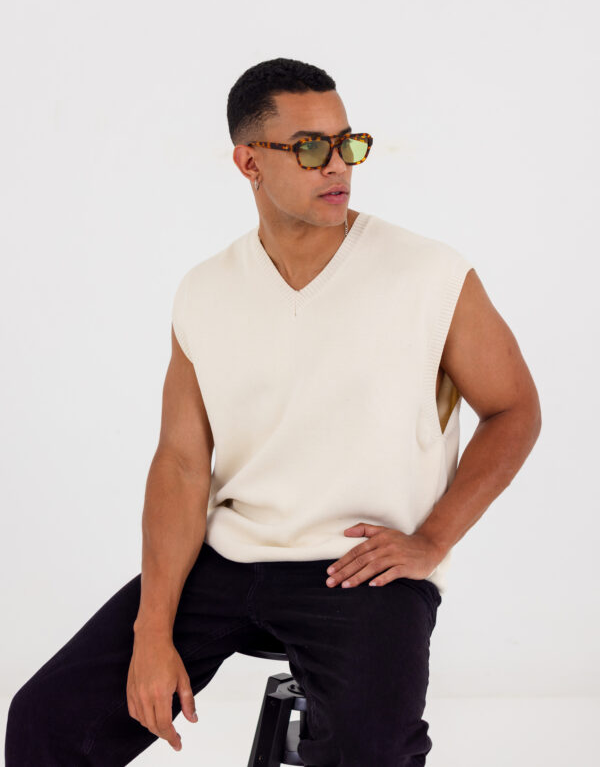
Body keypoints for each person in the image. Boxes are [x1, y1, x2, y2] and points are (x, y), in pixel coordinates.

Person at [5, 57, 542, 766]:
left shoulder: (429, 274)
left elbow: (514, 408)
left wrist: (432, 540)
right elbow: (180, 463)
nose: (337, 165)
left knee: (372, 752)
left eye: (347, 143)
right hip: (229, 559)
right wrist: (151, 631)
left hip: (362, 567)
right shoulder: (205, 291)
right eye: (310, 147)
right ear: (249, 162)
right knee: (44, 721)